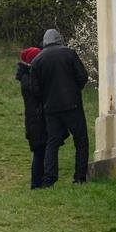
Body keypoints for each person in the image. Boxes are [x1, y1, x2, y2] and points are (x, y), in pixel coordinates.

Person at [30, 28, 90, 186]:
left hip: (51, 108)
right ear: (59, 39)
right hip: (73, 104)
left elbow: (35, 89)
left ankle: (49, 179)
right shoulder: (69, 53)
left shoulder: (37, 60)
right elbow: (83, 76)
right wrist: (74, 90)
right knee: (81, 140)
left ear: (45, 42)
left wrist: (46, 99)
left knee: (52, 143)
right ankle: (79, 177)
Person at [15, 46, 48, 189]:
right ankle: (36, 184)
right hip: (36, 120)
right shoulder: (28, 78)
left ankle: (39, 182)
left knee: (42, 152)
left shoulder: (27, 76)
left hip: (36, 119)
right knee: (39, 153)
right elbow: (37, 93)